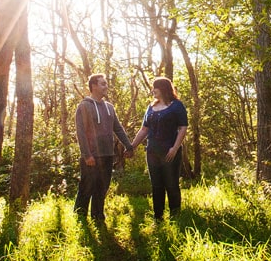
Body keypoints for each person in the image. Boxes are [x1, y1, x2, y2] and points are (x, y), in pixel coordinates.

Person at [74, 73, 134, 222]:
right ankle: (79, 218)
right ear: (93, 86)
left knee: (102, 187)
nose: (106, 86)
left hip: (107, 155)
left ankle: (97, 216)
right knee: (86, 187)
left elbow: (118, 129)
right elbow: (80, 132)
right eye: (103, 83)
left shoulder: (109, 107)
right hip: (92, 156)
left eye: (106, 83)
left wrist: (129, 145)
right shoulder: (84, 106)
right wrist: (87, 154)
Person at [130, 77, 188, 221]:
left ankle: (175, 217)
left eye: (155, 87)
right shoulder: (150, 107)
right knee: (156, 185)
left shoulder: (177, 106)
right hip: (152, 153)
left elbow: (183, 128)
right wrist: (132, 146)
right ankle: (158, 217)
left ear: (163, 88)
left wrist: (175, 148)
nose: (152, 90)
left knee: (171, 184)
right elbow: (144, 129)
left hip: (169, 152)